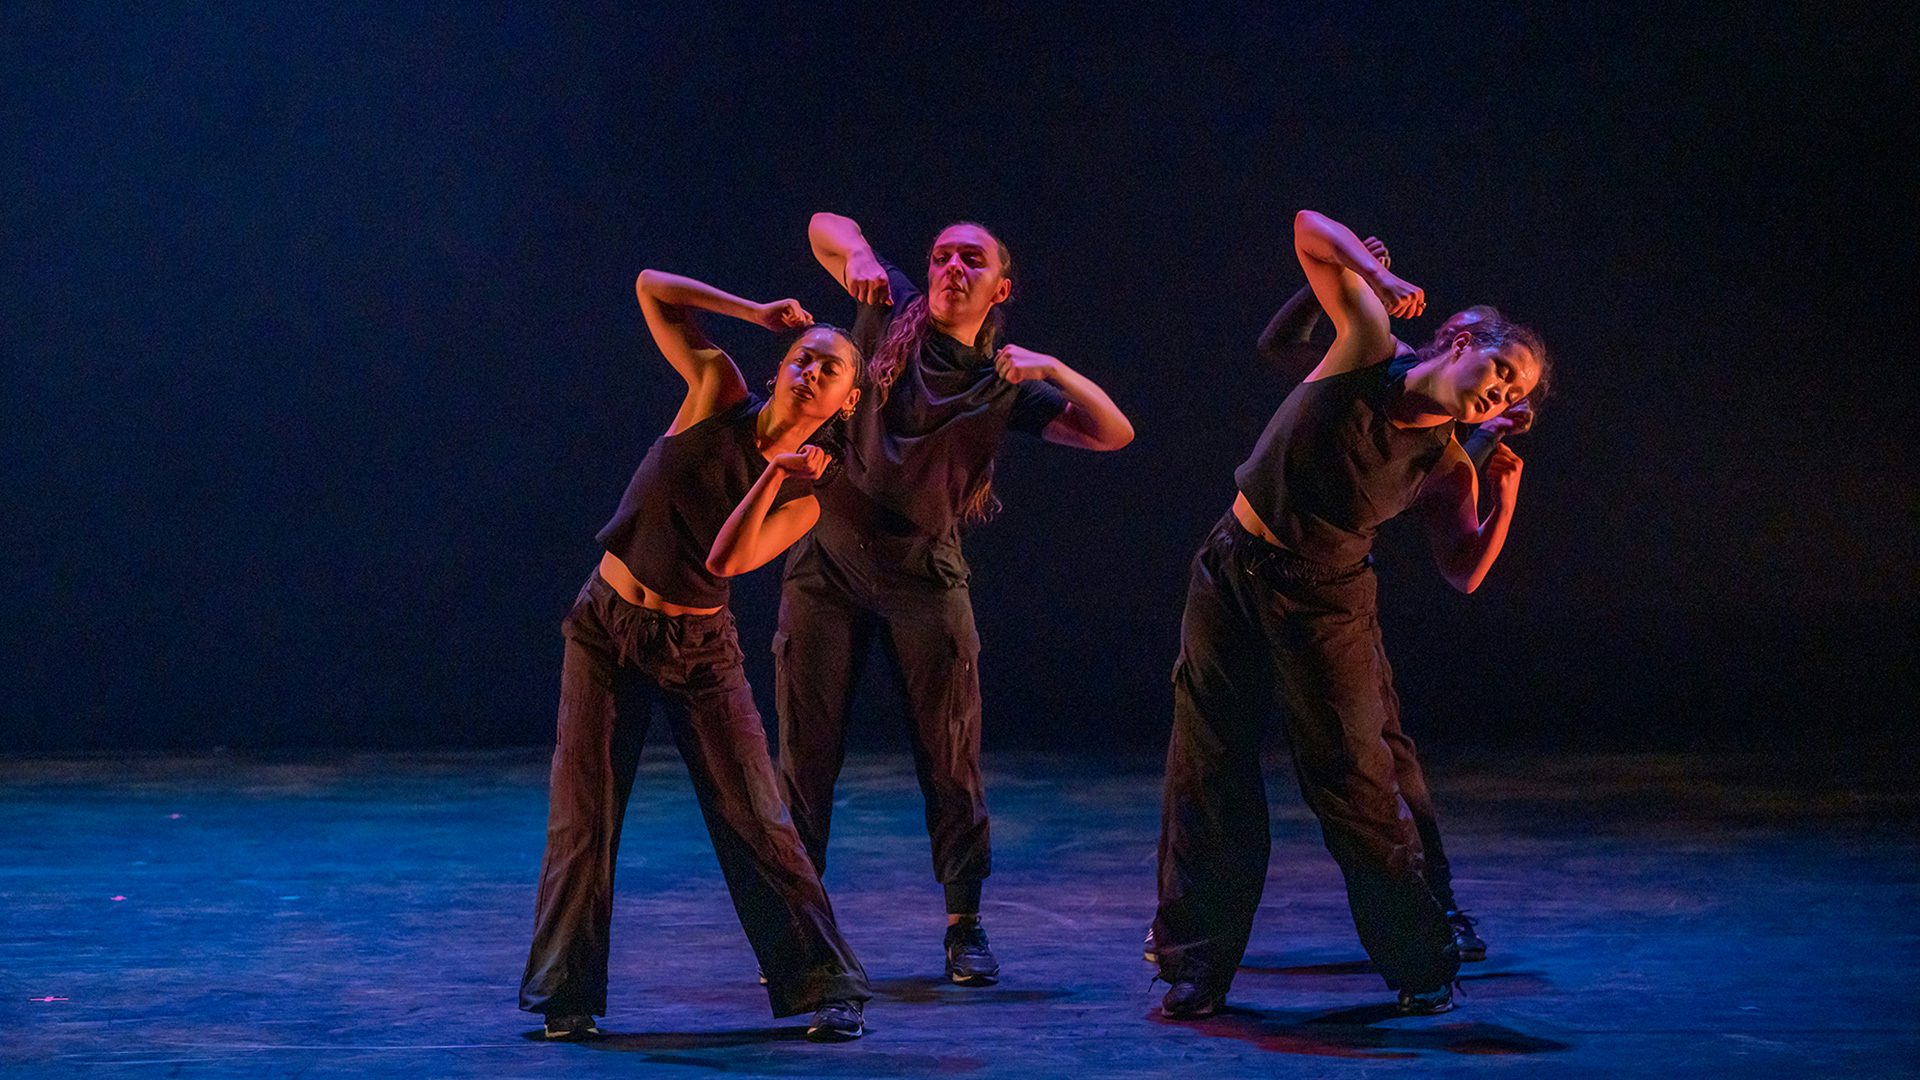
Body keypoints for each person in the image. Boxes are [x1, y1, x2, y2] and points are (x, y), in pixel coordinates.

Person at [1152, 209, 1548, 1019]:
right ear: (1462, 342)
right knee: (1208, 764)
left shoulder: (1446, 464)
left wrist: (1503, 497)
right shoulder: (1368, 348)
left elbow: (1462, 571)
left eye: (1518, 393)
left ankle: (1420, 958)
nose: (1503, 393)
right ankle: (1195, 964)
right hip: (1228, 568)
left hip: (1324, 600)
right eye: (1502, 370)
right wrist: (1385, 280)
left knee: (1355, 781)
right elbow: (1305, 226)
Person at [777, 214, 1134, 984]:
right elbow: (825, 227)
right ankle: (796, 927)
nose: (950, 267)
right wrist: (865, 254)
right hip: (829, 566)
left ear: (1000, 288)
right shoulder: (890, 309)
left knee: (950, 758)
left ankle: (963, 925)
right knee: (805, 758)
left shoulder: (1003, 381)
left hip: (924, 578)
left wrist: (1055, 370)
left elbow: (1113, 433)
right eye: (940, 255)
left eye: (971, 259)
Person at [519, 266, 872, 1042]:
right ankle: (566, 998)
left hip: (698, 649)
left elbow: (723, 560)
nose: (810, 370)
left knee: (755, 811)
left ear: (847, 401)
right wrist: (752, 309)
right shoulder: (714, 388)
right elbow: (649, 285)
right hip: (605, 626)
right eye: (803, 357)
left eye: (830, 368)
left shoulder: (806, 498)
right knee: (583, 813)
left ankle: (824, 983)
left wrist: (775, 475)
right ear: (782, 366)